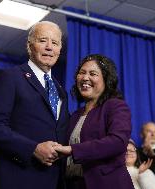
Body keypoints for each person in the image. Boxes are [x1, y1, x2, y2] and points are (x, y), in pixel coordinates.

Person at [0, 21, 70, 189]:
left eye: (55, 43)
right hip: (17, 179)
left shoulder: (60, 91)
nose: (49, 47)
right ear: (30, 46)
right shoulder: (10, 77)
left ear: (59, 50)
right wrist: (33, 149)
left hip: (53, 181)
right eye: (43, 40)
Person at [54, 54, 134, 189]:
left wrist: (72, 149)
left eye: (93, 73)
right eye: (82, 73)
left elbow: (118, 142)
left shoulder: (115, 106)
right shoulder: (75, 116)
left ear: (106, 79)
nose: (85, 78)